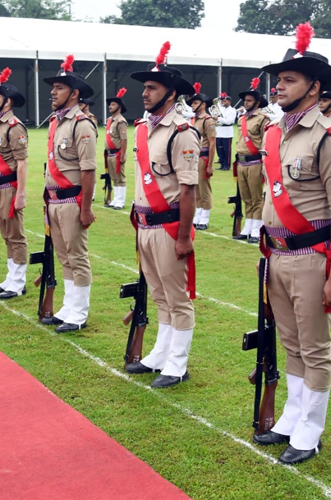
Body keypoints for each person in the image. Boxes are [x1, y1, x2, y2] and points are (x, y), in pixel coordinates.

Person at [253, 24, 331, 465]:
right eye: (278, 79)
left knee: (314, 347)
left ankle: (310, 429)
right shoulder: (274, 134)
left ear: (314, 88)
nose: (278, 85)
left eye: (289, 79)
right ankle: (293, 417)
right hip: (277, 256)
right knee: (291, 344)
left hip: (312, 258)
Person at [124, 42, 199, 389]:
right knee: (158, 293)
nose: (145, 93)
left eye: (152, 88)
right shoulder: (144, 127)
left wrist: (184, 237)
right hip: (145, 224)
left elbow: (187, 190)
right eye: (145, 87)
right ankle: (161, 353)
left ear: (170, 92)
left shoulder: (182, 132)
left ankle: (178, 363)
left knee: (177, 296)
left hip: (169, 227)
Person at [39, 55, 97, 334]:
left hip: (73, 200)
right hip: (55, 200)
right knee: (63, 256)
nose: (53, 91)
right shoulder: (56, 122)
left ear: (74, 94)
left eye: (59, 88)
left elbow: (88, 170)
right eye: (53, 87)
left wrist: (86, 208)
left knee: (77, 256)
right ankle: (68, 306)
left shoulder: (81, 124)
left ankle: (80, 313)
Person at [0, 67, 29, 300]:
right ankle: (11, 278)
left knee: (16, 235)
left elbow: (21, 163)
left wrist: (21, 194)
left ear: (7, 101)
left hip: (9, 187)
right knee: (6, 234)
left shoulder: (14, 126)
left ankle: (18, 282)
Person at [234, 78, 270, 243]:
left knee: (256, 197)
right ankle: (248, 227)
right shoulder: (242, 118)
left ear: (257, 102)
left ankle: (257, 229)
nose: (246, 103)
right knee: (246, 197)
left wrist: (264, 165)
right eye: (245, 100)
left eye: (249, 100)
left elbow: (265, 142)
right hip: (241, 161)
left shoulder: (263, 119)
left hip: (255, 161)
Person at [186, 83, 216, 230]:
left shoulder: (207, 120)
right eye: (192, 103)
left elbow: (212, 143)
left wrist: (210, 164)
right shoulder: (195, 120)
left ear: (203, 105)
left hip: (203, 157)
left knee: (204, 189)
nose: (192, 105)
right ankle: (198, 215)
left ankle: (205, 218)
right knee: (196, 188)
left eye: (196, 103)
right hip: (194, 158)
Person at [104, 88, 129, 209]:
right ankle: (115, 199)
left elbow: (124, 139)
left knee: (120, 177)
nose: (110, 106)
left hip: (118, 153)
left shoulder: (121, 121)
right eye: (110, 104)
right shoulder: (110, 120)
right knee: (114, 177)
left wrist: (123, 155)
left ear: (119, 107)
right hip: (109, 154)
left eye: (113, 104)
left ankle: (120, 201)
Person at [215, 93, 235, 170]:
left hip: (227, 132)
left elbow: (229, 121)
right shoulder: (221, 109)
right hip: (219, 131)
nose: (223, 102)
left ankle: (227, 165)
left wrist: (219, 119)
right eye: (222, 101)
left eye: (225, 101)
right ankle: (222, 164)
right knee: (220, 149)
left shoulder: (232, 110)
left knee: (227, 150)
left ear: (229, 102)